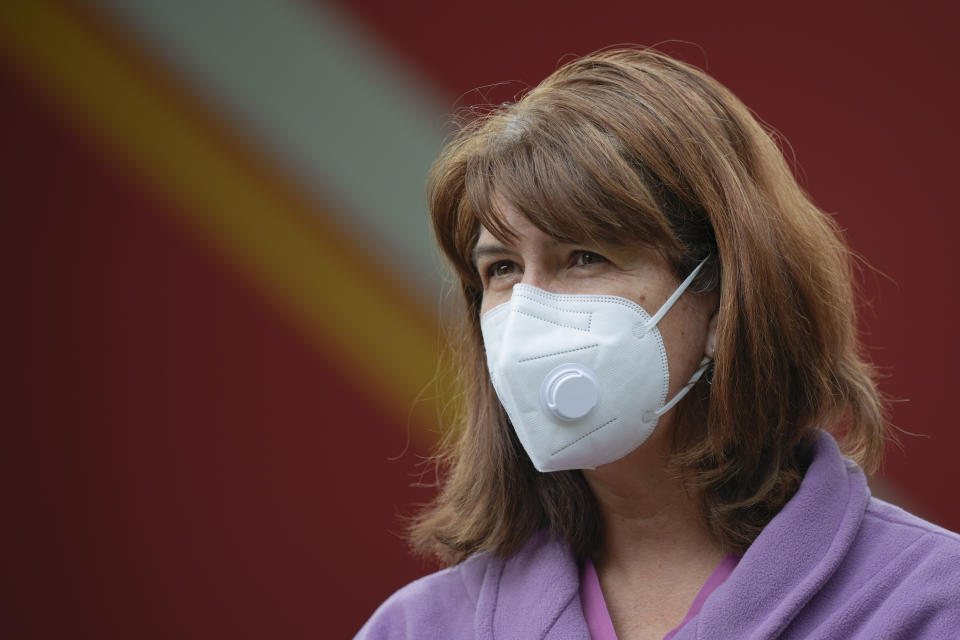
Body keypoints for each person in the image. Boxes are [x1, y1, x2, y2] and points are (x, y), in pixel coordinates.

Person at [356, 48, 960, 639]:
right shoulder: (416, 627)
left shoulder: (928, 603)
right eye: (503, 269)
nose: (527, 312)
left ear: (725, 301)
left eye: (584, 257)